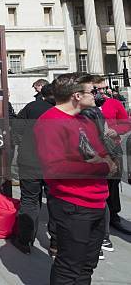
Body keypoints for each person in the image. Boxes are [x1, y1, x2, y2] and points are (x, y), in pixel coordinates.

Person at [34, 73, 116, 285]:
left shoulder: (83, 118)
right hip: (73, 205)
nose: (97, 95)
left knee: (87, 264)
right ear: (77, 95)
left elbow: (99, 151)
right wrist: (100, 165)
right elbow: (56, 168)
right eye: (92, 91)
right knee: (69, 266)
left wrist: (104, 160)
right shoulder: (49, 122)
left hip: (97, 200)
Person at [12, 83, 55, 255]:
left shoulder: (32, 107)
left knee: (29, 201)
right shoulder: (63, 110)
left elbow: (17, 128)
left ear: (41, 95)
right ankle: (56, 244)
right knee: (55, 202)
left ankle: (24, 241)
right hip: (54, 162)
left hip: (30, 159)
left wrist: (22, 143)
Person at [93, 77, 131, 247]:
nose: (102, 92)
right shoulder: (87, 104)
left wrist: (116, 131)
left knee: (113, 183)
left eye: (104, 88)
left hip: (112, 147)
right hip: (93, 151)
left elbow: (126, 123)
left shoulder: (114, 103)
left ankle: (114, 214)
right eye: (98, 89)